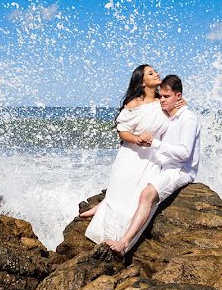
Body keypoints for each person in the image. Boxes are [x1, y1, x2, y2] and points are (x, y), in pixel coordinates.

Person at [105, 74, 201, 255]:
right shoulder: (170, 116)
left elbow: (184, 154)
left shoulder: (188, 119)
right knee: (131, 184)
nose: (162, 100)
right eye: (161, 96)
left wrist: (154, 143)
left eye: (166, 97)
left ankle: (124, 243)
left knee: (146, 194)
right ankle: (104, 207)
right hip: (165, 165)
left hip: (180, 170)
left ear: (178, 97)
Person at [82, 64, 174, 245]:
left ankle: (123, 239)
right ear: (142, 82)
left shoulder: (163, 101)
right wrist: (137, 138)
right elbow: (122, 131)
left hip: (152, 159)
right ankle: (107, 236)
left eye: (155, 71)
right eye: (151, 73)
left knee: (137, 199)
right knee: (119, 195)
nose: (156, 74)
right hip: (130, 156)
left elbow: (179, 113)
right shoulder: (133, 104)